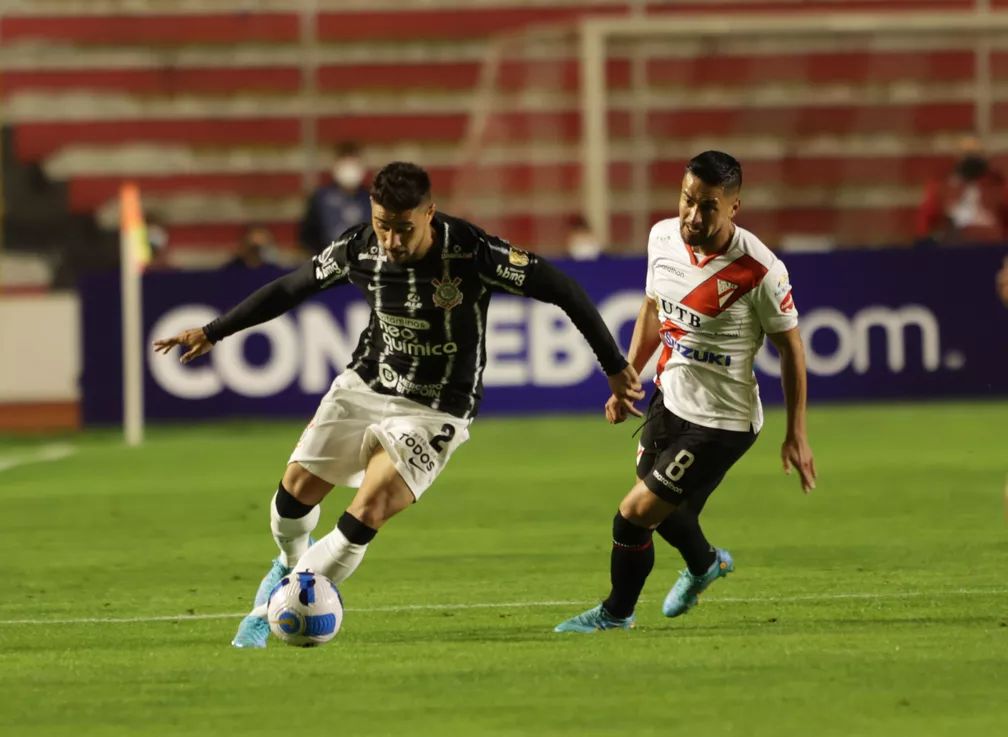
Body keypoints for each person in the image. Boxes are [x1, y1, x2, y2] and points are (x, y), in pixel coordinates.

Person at [153, 161, 644, 648]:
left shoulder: (473, 251)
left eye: (403, 229)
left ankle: (269, 610)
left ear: (430, 213)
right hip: (366, 384)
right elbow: (290, 288)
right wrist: (214, 331)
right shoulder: (357, 248)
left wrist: (614, 365)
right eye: (383, 225)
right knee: (290, 502)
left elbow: (565, 289)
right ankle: (288, 564)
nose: (391, 240)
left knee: (368, 508)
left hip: (436, 408)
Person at [554, 150, 816, 633]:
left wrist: (796, 432)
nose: (693, 215)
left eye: (708, 206)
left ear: (733, 207)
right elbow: (654, 311)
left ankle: (617, 613)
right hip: (668, 398)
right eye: (687, 200)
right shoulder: (662, 237)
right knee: (666, 512)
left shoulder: (760, 270)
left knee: (633, 515)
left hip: (721, 421)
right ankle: (705, 564)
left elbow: (792, 351)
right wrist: (627, 375)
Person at [916, 138, 1008, 245]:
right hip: (954, 244)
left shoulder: (997, 186)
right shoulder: (943, 188)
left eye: (976, 154)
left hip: (991, 244)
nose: (972, 159)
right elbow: (925, 221)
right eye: (968, 155)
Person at [299, 141, 372, 255]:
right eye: (345, 161)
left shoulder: (371, 198)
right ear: (336, 165)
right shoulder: (320, 198)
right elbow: (307, 236)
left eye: (353, 161)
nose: (349, 167)